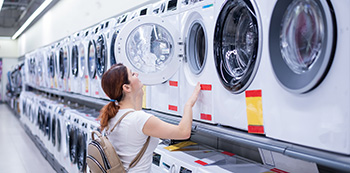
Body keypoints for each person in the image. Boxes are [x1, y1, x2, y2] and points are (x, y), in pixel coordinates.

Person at [98, 63, 201, 172]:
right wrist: (189, 105)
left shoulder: (113, 116)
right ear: (126, 87)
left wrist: (138, 93)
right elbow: (183, 132)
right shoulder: (140, 120)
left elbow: (135, 126)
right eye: (132, 74)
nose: (137, 74)